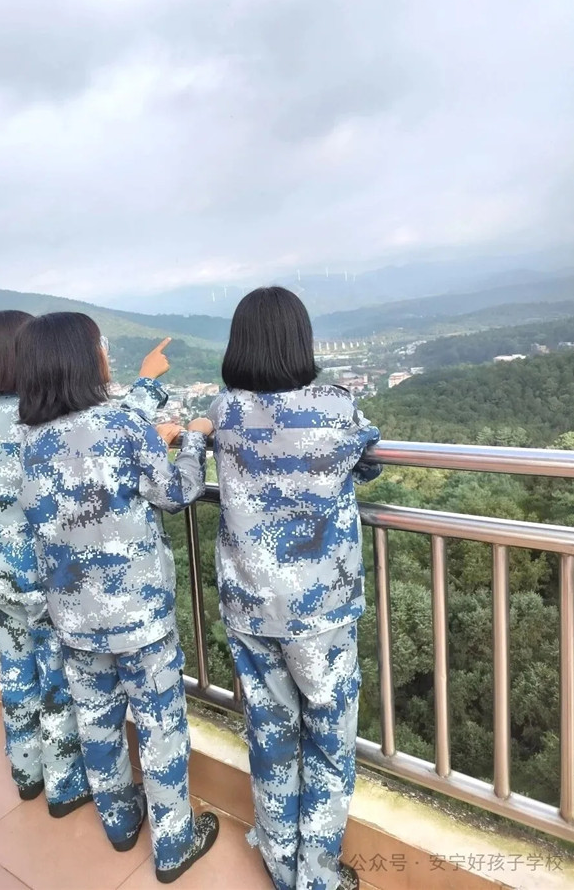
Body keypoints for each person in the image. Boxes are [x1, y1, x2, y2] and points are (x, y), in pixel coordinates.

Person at [16, 312, 219, 883]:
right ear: (86, 360)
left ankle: (120, 822)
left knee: (97, 722)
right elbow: (176, 492)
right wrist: (192, 440)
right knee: (159, 727)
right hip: (139, 616)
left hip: (73, 617)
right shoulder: (123, 427)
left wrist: (147, 395)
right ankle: (173, 843)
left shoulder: (29, 440)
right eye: (100, 345)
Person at [207, 287, 383, 890]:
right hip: (321, 611)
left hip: (250, 606)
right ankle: (318, 875)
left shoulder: (224, 412)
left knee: (271, 733)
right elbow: (369, 463)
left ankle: (282, 865)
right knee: (330, 739)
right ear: (300, 342)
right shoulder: (335, 407)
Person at [0, 310, 91, 816]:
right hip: (40, 581)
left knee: (16, 669)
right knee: (57, 679)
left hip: (0, 575)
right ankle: (65, 786)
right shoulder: (29, 419)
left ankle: (26, 771)